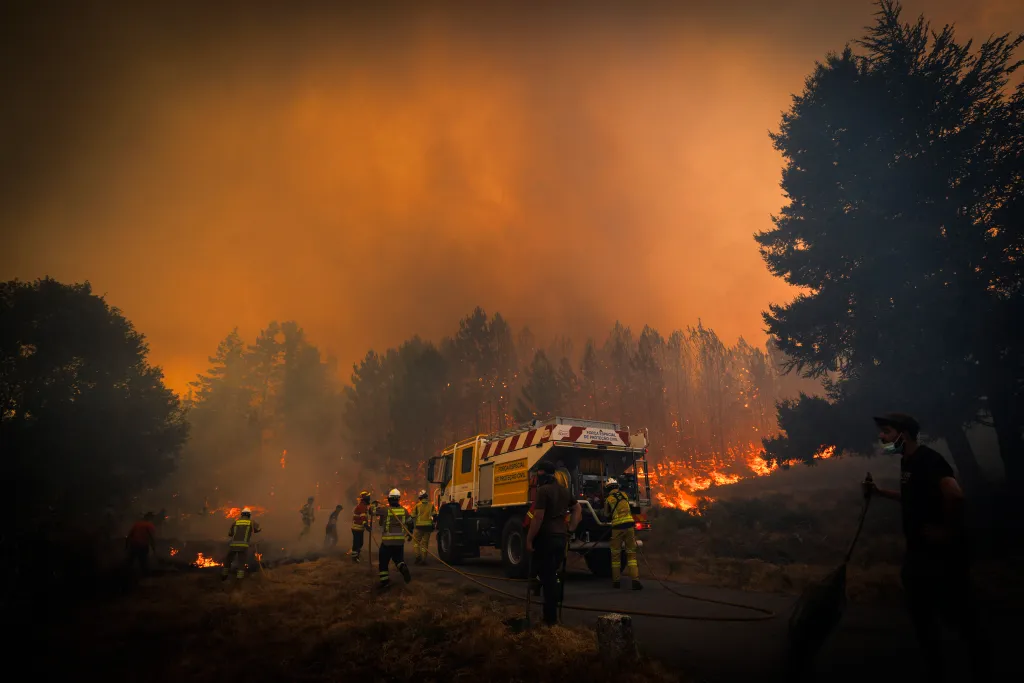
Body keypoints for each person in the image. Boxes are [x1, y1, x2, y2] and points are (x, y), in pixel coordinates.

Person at [862, 412, 990, 682]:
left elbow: (954, 495)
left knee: (957, 615)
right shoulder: (907, 462)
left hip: (940, 557)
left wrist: (947, 531)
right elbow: (914, 497)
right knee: (924, 614)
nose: (881, 437)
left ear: (903, 435)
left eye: (886, 432)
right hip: (919, 552)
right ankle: (938, 667)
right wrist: (880, 493)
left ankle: (978, 667)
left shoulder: (929, 460)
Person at [525, 461, 581, 626]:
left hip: (546, 539)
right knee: (552, 575)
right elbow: (578, 509)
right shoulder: (564, 491)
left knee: (546, 577)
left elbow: (538, 518)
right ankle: (552, 612)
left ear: (543, 474)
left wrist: (529, 539)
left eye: (538, 474)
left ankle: (550, 620)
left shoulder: (543, 491)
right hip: (561, 538)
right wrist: (571, 528)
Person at [603, 478, 642, 590]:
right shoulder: (624, 495)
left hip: (617, 528)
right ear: (617, 486)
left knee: (616, 555)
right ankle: (635, 581)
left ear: (608, 489)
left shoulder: (609, 499)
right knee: (631, 555)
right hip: (629, 527)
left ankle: (616, 582)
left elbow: (606, 515)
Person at [377, 489, 412, 590]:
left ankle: (385, 582)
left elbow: (372, 511)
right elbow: (410, 523)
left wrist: (374, 505)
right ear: (398, 499)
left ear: (389, 499)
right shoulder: (404, 511)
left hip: (387, 542)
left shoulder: (385, 510)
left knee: (383, 562)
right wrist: (410, 533)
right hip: (399, 542)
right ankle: (403, 567)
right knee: (398, 560)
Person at [222, 507, 261, 581]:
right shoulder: (251, 522)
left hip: (233, 545)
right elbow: (257, 529)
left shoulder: (235, 522)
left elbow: (230, 534)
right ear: (249, 515)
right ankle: (239, 580)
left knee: (228, 561)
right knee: (241, 563)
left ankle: (224, 576)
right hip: (243, 546)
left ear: (242, 514)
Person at [411, 490, 437, 565]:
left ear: (420, 498)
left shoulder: (417, 506)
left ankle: (417, 557)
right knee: (425, 543)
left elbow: (412, 516)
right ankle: (424, 559)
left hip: (419, 527)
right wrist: (433, 524)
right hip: (428, 527)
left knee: (416, 542)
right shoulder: (431, 505)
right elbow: (435, 516)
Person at [349, 491, 371, 562]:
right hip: (356, 528)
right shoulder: (361, 506)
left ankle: (356, 556)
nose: (369, 499)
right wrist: (366, 525)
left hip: (359, 528)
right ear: (365, 499)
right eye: (368, 497)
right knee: (357, 543)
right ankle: (354, 558)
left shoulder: (363, 505)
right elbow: (363, 517)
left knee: (360, 543)